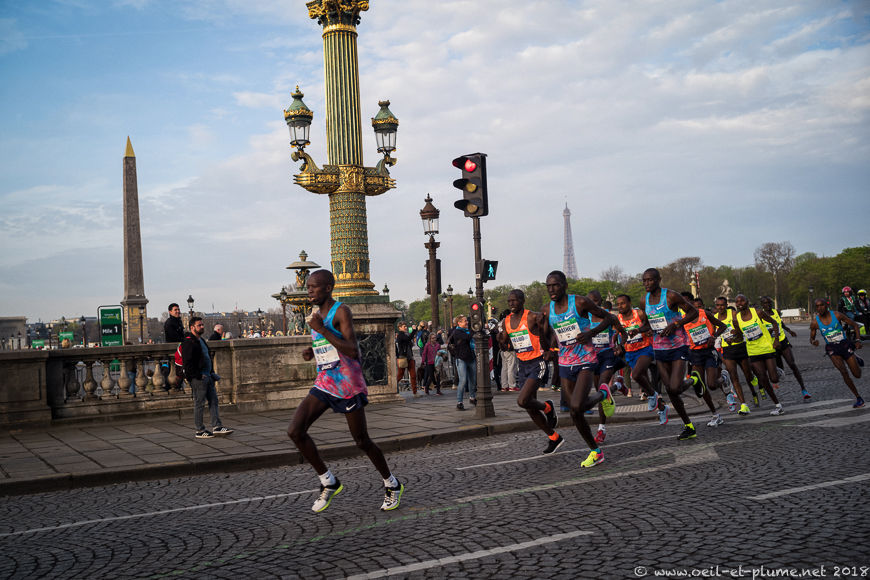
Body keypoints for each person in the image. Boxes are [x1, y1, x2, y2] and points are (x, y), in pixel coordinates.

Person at [287, 270, 403, 512]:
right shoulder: (316, 314)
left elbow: (352, 351)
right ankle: (329, 482)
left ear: (328, 288)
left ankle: (392, 484)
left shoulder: (341, 311)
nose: (309, 291)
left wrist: (322, 329)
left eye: (314, 287)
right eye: (308, 287)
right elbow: (325, 343)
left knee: (361, 440)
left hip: (348, 384)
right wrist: (312, 350)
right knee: (295, 431)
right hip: (325, 381)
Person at [540, 271, 614, 468]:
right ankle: (596, 451)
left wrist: (591, 332)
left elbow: (608, 319)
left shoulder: (580, 303)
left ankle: (603, 394)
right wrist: (546, 345)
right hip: (565, 362)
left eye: (555, 285)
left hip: (586, 359)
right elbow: (546, 336)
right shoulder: (547, 309)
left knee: (575, 406)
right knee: (576, 412)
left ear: (564, 285)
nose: (551, 289)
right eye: (548, 286)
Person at [639, 268, 701, 440]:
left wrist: (676, 324)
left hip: (678, 346)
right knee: (671, 391)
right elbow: (649, 324)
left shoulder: (671, 296)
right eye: (644, 280)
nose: (646, 284)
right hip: (659, 348)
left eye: (650, 280)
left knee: (674, 387)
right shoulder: (644, 300)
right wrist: (636, 331)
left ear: (659, 280)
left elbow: (693, 312)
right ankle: (689, 426)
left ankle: (694, 379)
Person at [497, 289, 562, 454]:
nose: (512, 303)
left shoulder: (532, 316)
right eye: (509, 301)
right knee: (529, 406)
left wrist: (552, 349)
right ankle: (554, 437)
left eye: (515, 300)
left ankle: (547, 407)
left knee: (522, 400)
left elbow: (552, 332)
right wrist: (500, 340)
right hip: (522, 365)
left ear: (522, 301)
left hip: (537, 362)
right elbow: (506, 342)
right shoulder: (507, 320)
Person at [614, 294, 667, 424]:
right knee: (645, 381)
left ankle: (651, 395)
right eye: (618, 304)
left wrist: (640, 330)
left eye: (623, 303)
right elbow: (617, 334)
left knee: (636, 375)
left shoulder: (639, 314)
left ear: (630, 303)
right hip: (630, 352)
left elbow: (650, 325)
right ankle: (661, 408)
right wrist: (617, 346)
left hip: (645, 348)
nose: (620, 306)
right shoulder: (617, 318)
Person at [730, 294, 785, 416]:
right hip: (753, 351)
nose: (739, 303)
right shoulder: (736, 319)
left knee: (774, 379)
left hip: (767, 348)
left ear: (747, 302)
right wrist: (732, 339)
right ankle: (778, 405)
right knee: (763, 378)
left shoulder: (758, 313)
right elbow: (739, 336)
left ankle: (776, 371)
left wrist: (776, 339)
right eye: (737, 301)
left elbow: (774, 323)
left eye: (742, 301)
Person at [680, 294, 729, 427]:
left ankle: (724, 377)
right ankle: (715, 415)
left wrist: (714, 336)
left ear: (691, 302)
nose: (683, 305)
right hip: (695, 354)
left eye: (686, 302)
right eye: (681, 303)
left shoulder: (705, 314)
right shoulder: (681, 320)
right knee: (700, 386)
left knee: (712, 385)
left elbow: (723, 326)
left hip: (709, 352)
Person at [181, 316, 233, 439]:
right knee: (199, 404)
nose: (202, 327)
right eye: (199, 325)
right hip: (199, 378)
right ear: (192, 327)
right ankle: (199, 430)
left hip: (208, 376)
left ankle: (217, 426)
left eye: (202, 325)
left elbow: (207, 357)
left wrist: (211, 372)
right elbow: (187, 364)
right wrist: (198, 376)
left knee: (214, 401)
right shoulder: (189, 342)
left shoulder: (201, 340)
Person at [587, 290, 627, 443]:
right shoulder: (585, 318)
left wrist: (620, 347)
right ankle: (618, 384)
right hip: (593, 357)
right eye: (590, 302)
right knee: (600, 393)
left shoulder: (610, 317)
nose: (593, 304)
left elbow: (623, 333)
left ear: (600, 301)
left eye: (595, 301)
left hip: (608, 355)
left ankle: (601, 429)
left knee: (602, 387)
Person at [810, 298, 865, 408]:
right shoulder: (815, 323)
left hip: (844, 345)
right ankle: (858, 398)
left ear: (826, 305)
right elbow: (811, 338)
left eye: (821, 305)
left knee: (857, 375)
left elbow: (854, 325)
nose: (819, 308)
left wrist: (858, 340)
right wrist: (814, 341)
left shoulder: (837, 315)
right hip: (832, 349)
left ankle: (855, 357)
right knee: (843, 372)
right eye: (817, 306)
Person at [759, 296, 811, 400]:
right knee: (777, 369)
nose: (768, 305)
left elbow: (780, 324)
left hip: (782, 342)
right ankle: (767, 387)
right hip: (771, 345)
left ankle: (804, 389)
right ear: (762, 305)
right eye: (765, 303)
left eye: (769, 303)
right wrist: (767, 332)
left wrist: (789, 330)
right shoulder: (760, 315)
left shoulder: (776, 312)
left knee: (792, 364)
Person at [713, 297, 756, 415]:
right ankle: (744, 405)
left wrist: (735, 335)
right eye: (718, 305)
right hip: (727, 349)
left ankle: (752, 377)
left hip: (740, 346)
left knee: (748, 375)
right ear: (715, 306)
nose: (720, 307)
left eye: (722, 305)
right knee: (734, 377)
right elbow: (715, 333)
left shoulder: (733, 314)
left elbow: (741, 330)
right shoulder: (715, 318)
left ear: (726, 305)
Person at [448, 315, 477, 410]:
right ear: (459, 323)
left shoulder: (467, 331)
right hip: (461, 359)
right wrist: (474, 329)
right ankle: (459, 402)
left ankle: (472, 397)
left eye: (467, 321)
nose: (467, 322)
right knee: (463, 380)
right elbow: (468, 337)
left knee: (473, 380)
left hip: (471, 357)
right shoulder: (457, 332)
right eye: (465, 321)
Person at [395, 321, 419, 396]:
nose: (405, 327)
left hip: (408, 356)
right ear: (399, 328)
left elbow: (409, 341)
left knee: (413, 375)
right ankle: (393, 388)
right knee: (400, 375)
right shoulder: (401, 335)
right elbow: (408, 339)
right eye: (404, 326)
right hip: (403, 357)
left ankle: (415, 391)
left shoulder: (404, 334)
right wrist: (414, 330)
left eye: (405, 326)